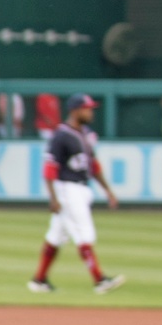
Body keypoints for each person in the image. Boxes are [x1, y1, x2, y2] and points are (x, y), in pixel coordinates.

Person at [29, 93, 124, 295]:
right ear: (75, 111)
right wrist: (53, 198)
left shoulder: (86, 134)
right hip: (67, 188)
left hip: (82, 187)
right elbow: (49, 169)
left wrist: (108, 191)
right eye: (87, 108)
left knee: (55, 236)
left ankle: (39, 280)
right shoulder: (61, 136)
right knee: (84, 233)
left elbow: (94, 166)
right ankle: (99, 280)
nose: (90, 112)